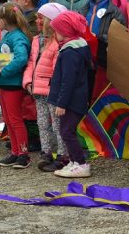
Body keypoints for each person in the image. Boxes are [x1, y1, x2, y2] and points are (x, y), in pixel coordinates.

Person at [22, 3, 69, 173]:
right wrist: (27, 81)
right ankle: (46, 152)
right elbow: (30, 63)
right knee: (42, 123)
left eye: (42, 18)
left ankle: (63, 155)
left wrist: (54, 88)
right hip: (37, 90)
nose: (38, 20)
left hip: (51, 90)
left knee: (57, 124)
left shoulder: (58, 42)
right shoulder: (36, 41)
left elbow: (58, 68)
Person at [49, 11, 93, 178]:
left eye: (57, 30)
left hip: (72, 101)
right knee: (65, 130)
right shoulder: (75, 48)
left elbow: (68, 81)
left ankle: (81, 164)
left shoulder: (70, 53)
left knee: (67, 131)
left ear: (66, 31)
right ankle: (74, 161)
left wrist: (62, 103)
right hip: (74, 100)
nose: (55, 34)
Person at [0, 2, 32, 169]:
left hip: (13, 84)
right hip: (5, 84)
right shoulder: (9, 36)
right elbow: (1, 54)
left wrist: (5, 71)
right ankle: (15, 152)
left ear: (3, 20)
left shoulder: (18, 37)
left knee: (15, 120)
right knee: (8, 120)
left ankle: (23, 154)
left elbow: (21, 58)